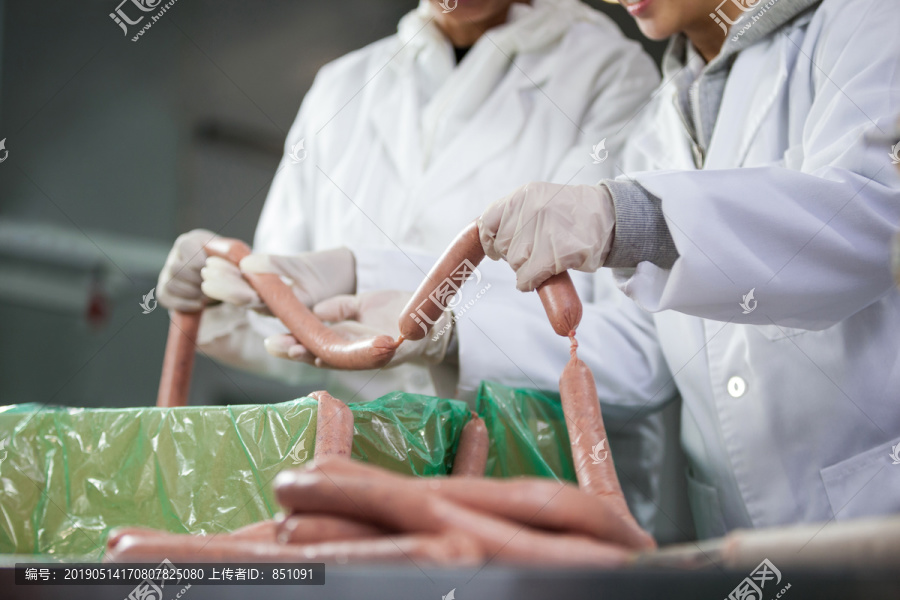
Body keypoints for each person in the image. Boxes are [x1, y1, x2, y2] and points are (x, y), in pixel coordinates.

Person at [155, 0, 673, 529]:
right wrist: (218, 293)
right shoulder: (342, 87)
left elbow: (635, 355)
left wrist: (454, 334)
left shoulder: (610, 74)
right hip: (357, 499)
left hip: (538, 509)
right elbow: (285, 331)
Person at [475, 0, 900, 539]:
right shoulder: (654, 124)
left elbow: (871, 222)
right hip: (732, 533)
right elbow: (640, 349)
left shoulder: (871, 19)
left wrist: (627, 219)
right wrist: (444, 328)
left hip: (878, 514)